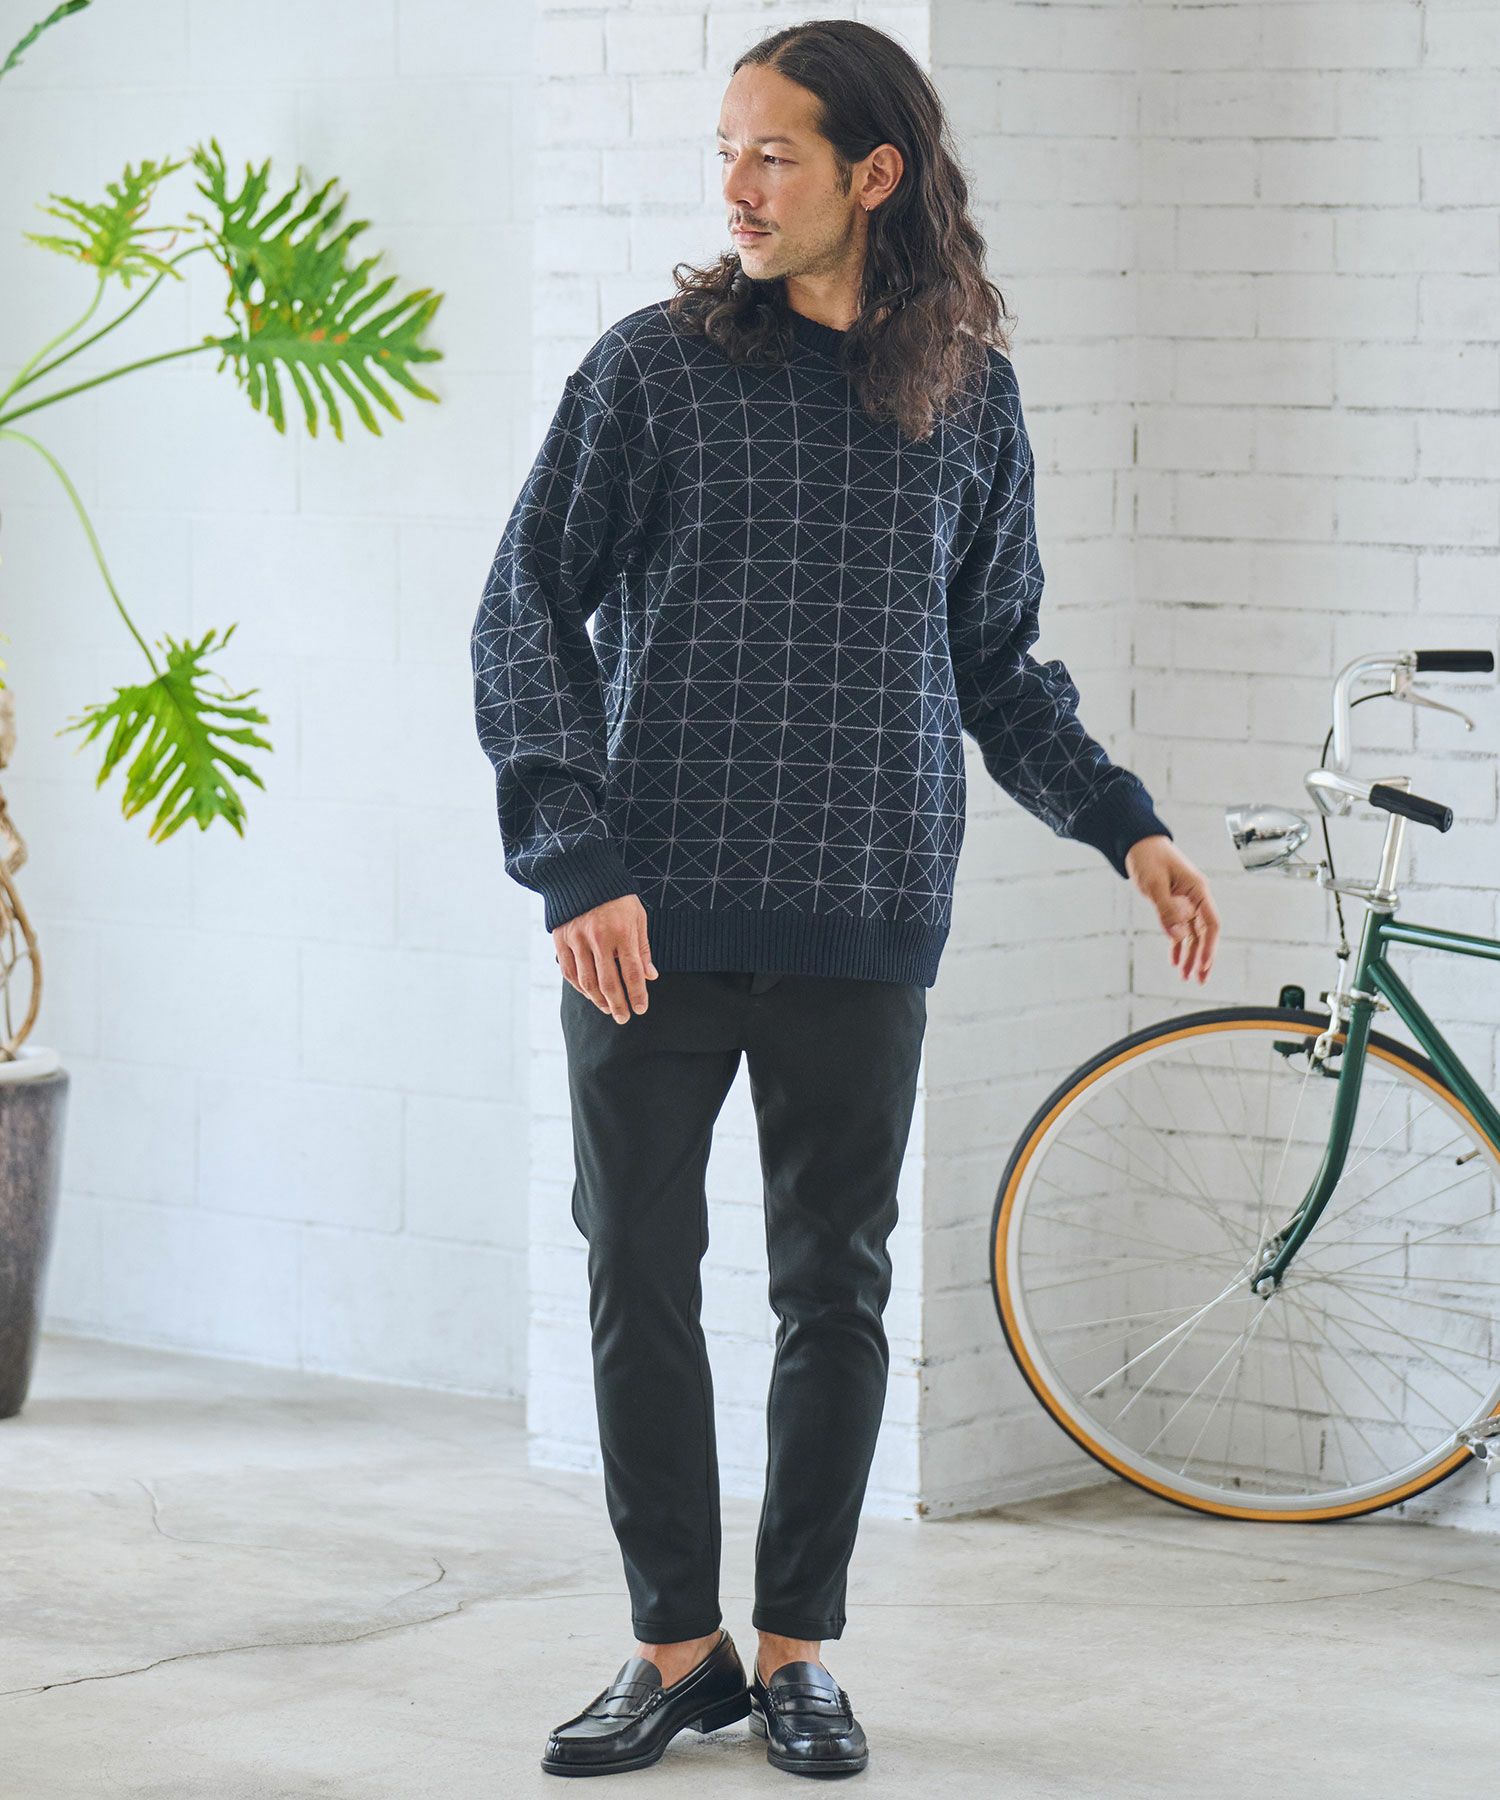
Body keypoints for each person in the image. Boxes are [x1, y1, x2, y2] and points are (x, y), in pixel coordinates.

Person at [471, 17, 1220, 1781]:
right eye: (725, 149)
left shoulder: (969, 399)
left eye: (775, 153)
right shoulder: (651, 372)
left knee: (836, 1290)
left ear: (874, 175)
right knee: (637, 1272)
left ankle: (801, 1649)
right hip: (647, 916)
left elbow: (998, 663)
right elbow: (524, 613)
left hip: (862, 909)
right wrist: (575, 860)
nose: (736, 186)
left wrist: (1125, 826)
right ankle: (677, 1650)